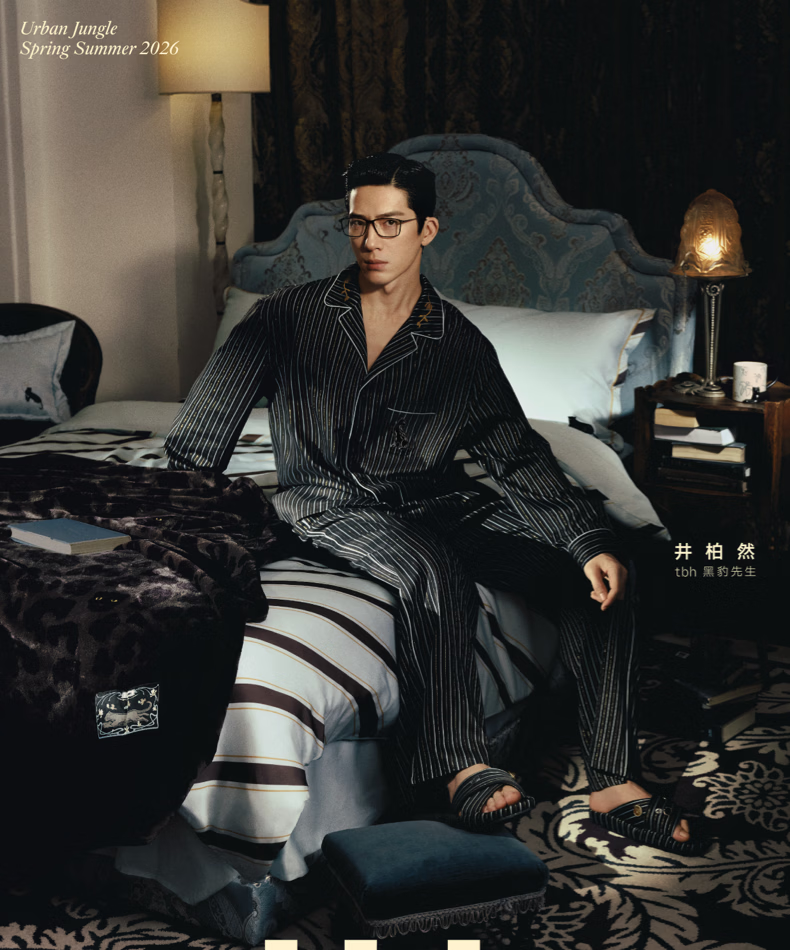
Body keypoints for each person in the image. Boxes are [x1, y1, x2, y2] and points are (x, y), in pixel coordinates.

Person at [166, 153, 699, 854]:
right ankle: (456, 766)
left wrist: (586, 540)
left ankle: (612, 779)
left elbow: (515, 453)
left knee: (598, 570)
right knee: (433, 569)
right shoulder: (285, 317)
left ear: (427, 230)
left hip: (439, 498)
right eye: (359, 224)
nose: (371, 241)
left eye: (391, 224)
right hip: (326, 501)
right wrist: (175, 530)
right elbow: (199, 439)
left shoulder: (457, 344)